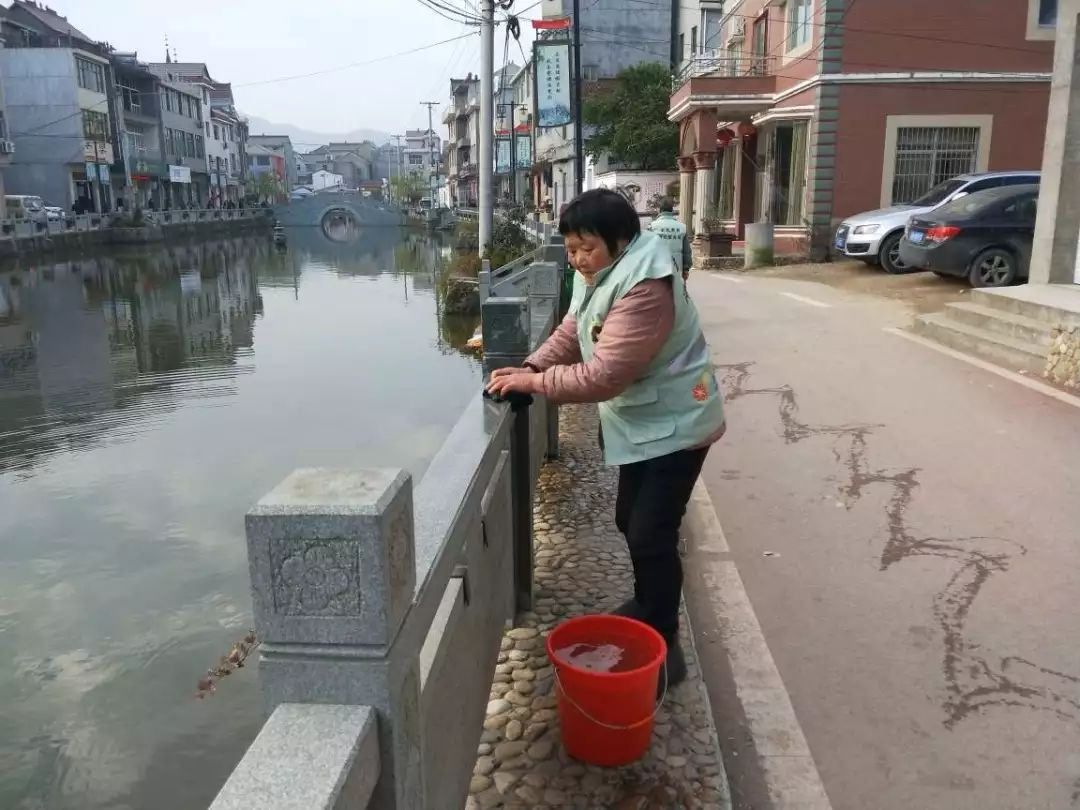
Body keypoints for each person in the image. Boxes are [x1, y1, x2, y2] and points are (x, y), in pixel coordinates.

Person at [486, 188, 726, 690]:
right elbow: (574, 328)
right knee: (628, 519)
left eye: (585, 248)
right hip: (645, 422)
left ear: (622, 240)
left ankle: (666, 641)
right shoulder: (598, 272)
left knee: (650, 531)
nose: (576, 259)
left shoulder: (645, 288)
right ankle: (647, 603)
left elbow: (603, 376)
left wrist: (533, 384)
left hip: (679, 423)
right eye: (570, 248)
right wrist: (533, 364)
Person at [647, 197, 692, 281]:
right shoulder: (682, 227)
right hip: (677, 269)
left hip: (657, 271)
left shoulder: (651, 227)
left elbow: (647, 250)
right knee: (678, 292)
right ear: (672, 210)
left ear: (659, 210)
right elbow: (686, 251)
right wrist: (686, 269)